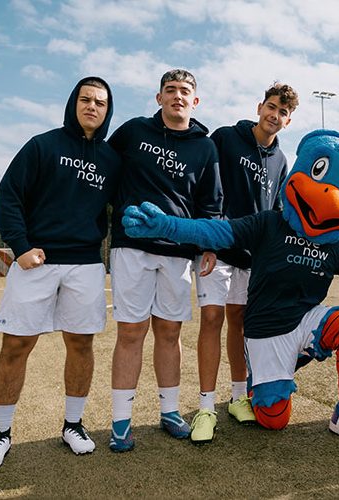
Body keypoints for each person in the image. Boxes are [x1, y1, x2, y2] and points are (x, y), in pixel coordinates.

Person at [122, 129, 339, 441]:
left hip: (306, 321)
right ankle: (262, 381)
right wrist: (166, 225)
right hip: (266, 333)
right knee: (274, 420)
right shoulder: (268, 224)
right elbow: (214, 231)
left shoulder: (336, 246)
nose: (331, 195)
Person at [0, 77, 121, 471]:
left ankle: (73, 425)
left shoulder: (112, 160)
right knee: (15, 346)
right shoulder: (42, 145)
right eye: (85, 99)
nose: (92, 106)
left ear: (108, 110)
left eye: (100, 102)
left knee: (81, 344)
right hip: (36, 262)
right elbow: (9, 196)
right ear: (74, 102)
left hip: (86, 264)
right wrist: (20, 247)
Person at [107, 69, 222, 452]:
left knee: (170, 333)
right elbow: (105, 170)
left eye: (185, 91)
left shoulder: (205, 147)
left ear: (195, 101)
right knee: (131, 332)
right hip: (132, 247)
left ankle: (169, 411)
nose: (177, 96)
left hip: (178, 252)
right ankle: (121, 422)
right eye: (170, 90)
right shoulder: (133, 131)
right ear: (159, 98)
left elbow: (210, 203)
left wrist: (209, 245)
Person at [190, 83, 298, 443]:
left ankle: (238, 397)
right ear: (259, 107)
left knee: (239, 323)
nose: (275, 115)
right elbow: (205, 184)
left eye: (283, 112)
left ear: (288, 120)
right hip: (217, 247)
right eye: (272, 107)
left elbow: (277, 212)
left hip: (252, 256)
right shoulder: (226, 137)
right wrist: (206, 238)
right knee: (211, 318)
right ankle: (206, 407)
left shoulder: (281, 160)